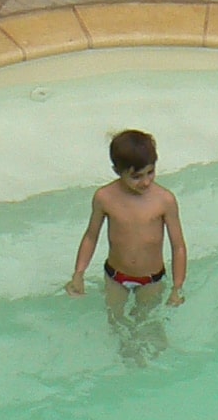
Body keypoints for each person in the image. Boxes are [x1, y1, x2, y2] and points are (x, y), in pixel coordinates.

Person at [67, 129, 188, 308]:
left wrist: (177, 288)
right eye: (136, 177)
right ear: (117, 171)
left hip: (151, 280)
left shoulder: (164, 200)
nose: (146, 181)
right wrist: (78, 274)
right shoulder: (104, 198)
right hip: (116, 276)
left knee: (147, 326)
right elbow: (91, 237)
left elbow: (178, 247)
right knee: (116, 321)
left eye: (150, 172)